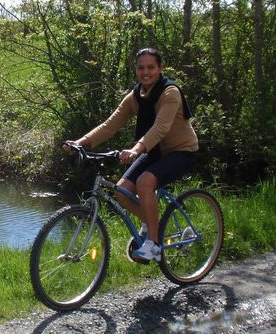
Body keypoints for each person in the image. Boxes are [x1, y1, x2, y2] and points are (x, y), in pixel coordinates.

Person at [65, 48, 199, 262]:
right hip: (154, 151)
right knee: (122, 191)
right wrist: (80, 143)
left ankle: (154, 246)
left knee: (145, 183)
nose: (145, 72)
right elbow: (110, 126)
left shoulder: (170, 92)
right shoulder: (136, 96)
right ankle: (152, 225)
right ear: (136, 70)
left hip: (181, 151)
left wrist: (136, 149)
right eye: (140, 68)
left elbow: (161, 128)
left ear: (160, 69)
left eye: (151, 67)